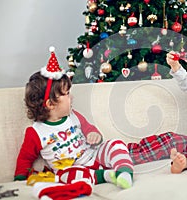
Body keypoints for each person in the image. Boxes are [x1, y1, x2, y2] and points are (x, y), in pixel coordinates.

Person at [14, 47, 134, 190]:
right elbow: (25, 159)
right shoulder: (36, 133)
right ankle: (107, 175)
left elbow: (90, 129)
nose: (72, 97)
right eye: (66, 94)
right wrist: (20, 179)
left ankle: (125, 172)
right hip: (73, 169)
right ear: (50, 104)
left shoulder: (73, 116)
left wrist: (94, 134)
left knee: (116, 144)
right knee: (65, 176)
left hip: (93, 156)